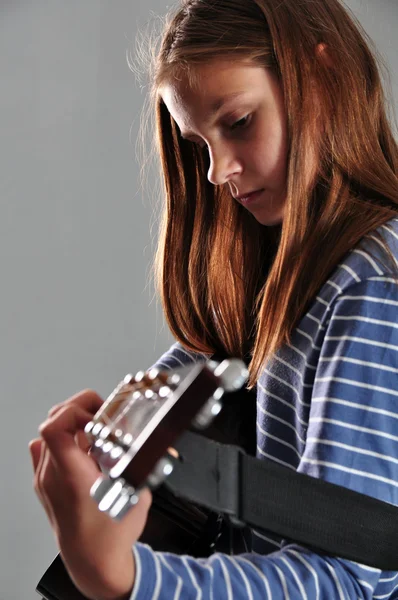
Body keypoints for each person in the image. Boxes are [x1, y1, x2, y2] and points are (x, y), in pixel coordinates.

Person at [29, 0, 398, 598]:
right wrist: (106, 443)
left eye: (239, 122)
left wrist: (125, 578)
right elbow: (186, 401)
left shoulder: (373, 289)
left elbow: (351, 581)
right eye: (198, 142)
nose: (215, 171)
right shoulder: (276, 280)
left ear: (322, 80)